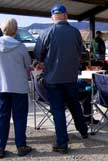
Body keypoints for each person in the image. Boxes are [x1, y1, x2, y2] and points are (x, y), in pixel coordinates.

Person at [34, 4, 88, 154]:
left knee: (58, 110)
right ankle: (83, 131)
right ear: (66, 15)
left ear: (52, 16)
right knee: (75, 105)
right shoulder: (75, 32)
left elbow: (38, 55)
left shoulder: (46, 33)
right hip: (71, 77)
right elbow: (80, 53)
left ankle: (62, 143)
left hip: (53, 79)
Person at [0, 18, 32, 158]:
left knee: (2, 117)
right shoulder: (21, 47)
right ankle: (21, 146)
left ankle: (0, 147)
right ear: (16, 30)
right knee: (19, 117)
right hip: (19, 87)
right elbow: (28, 65)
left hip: (1, 86)